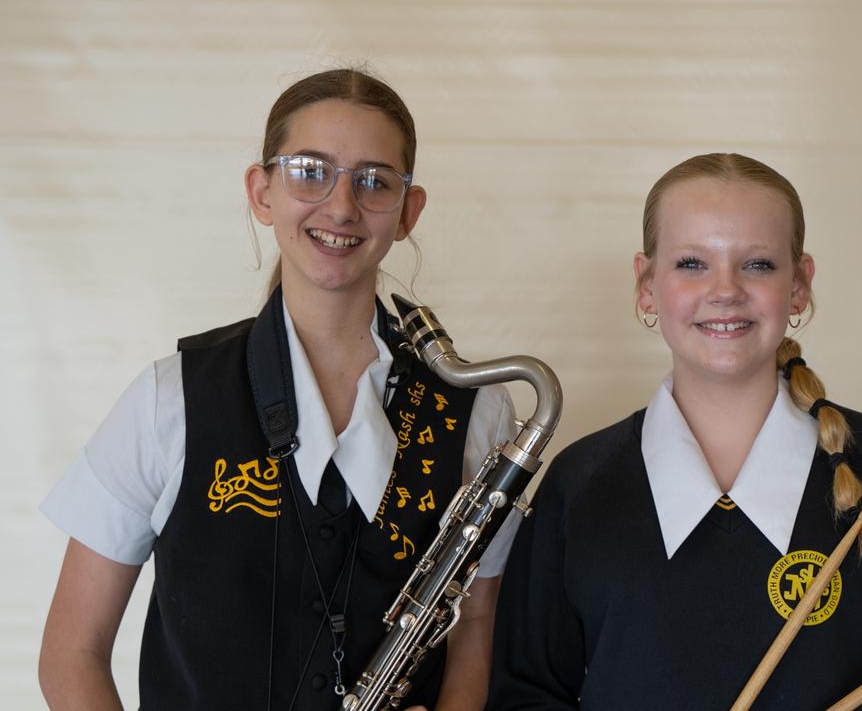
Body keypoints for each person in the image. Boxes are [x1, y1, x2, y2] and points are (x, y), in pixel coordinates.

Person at [39, 68, 518, 711]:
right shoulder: (168, 398)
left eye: (375, 181)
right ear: (261, 192)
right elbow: (73, 653)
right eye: (310, 171)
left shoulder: (478, 408)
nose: (342, 205)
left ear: (408, 211)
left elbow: (477, 627)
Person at [486, 153, 862, 709]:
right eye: (692, 263)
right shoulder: (580, 483)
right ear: (646, 286)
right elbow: (527, 694)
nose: (726, 289)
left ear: (800, 286)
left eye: (757, 264)